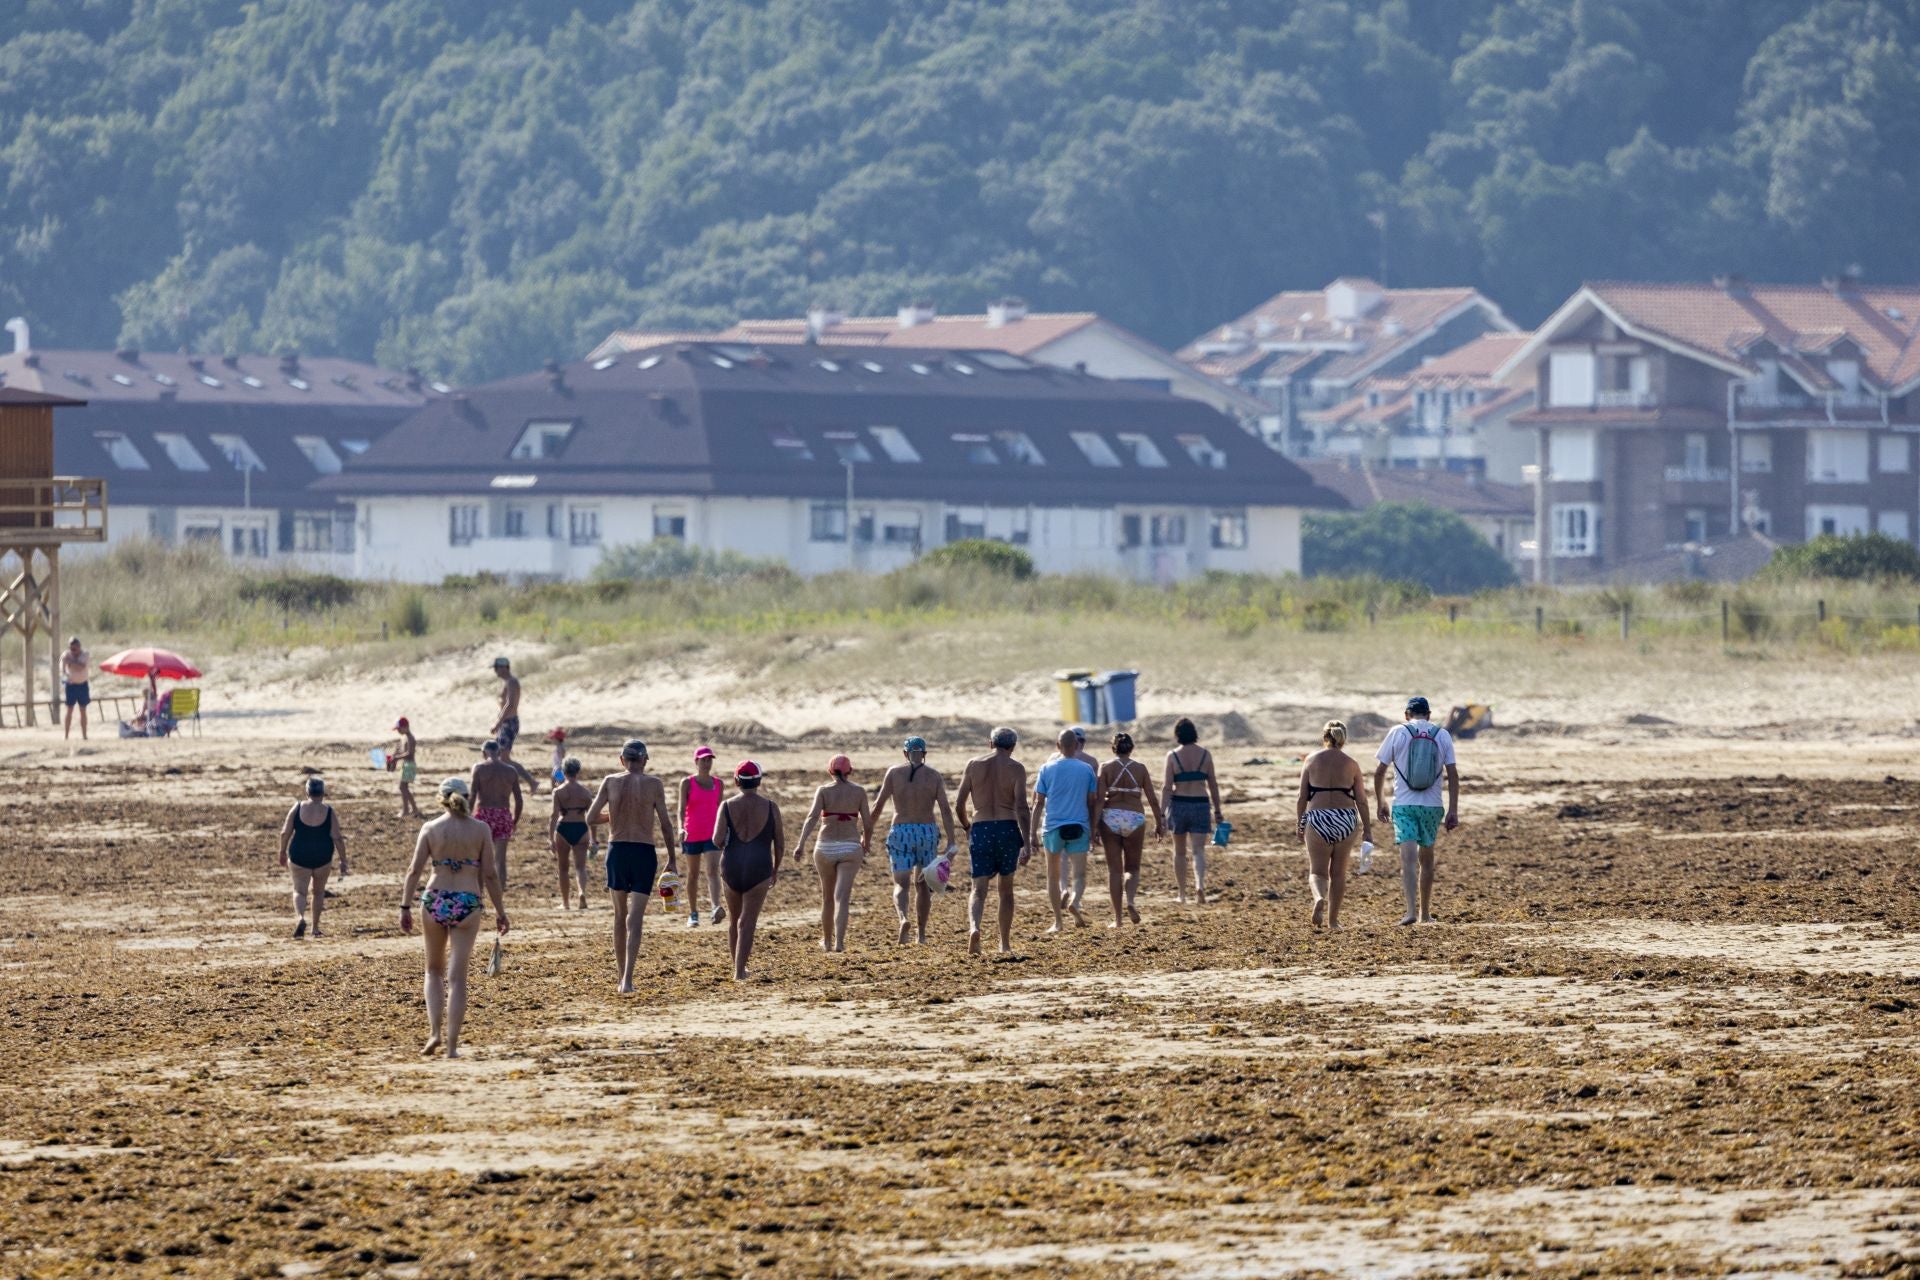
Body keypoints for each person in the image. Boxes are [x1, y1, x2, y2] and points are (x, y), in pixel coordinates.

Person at [399, 778, 508, 1058]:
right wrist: (500, 911)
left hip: (435, 899)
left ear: (442, 798)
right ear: (468, 797)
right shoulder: (480, 829)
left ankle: (434, 1032)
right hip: (467, 901)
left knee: (433, 971)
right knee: (457, 978)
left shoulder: (431, 828)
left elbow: (413, 871)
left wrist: (405, 907)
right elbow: (490, 874)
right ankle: (451, 1047)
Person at [585, 740, 677, 993]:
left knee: (619, 916)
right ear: (645, 760)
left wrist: (613, 814)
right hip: (643, 852)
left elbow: (590, 818)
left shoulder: (610, 781)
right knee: (635, 919)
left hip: (617, 851)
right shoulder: (654, 784)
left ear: (621, 760)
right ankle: (627, 979)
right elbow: (666, 825)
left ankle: (619, 976)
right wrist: (672, 859)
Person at [1373, 696, 1460, 926]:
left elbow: (1380, 771)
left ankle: (1410, 911)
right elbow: (1452, 774)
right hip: (1432, 806)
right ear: (1429, 715)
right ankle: (1425, 914)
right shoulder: (1442, 734)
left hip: (1404, 805)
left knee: (1408, 860)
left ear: (1406, 715)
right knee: (1427, 860)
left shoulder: (1397, 732)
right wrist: (1453, 809)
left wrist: (1381, 801)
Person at [870, 736, 957, 944]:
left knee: (901, 884)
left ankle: (903, 919)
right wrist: (951, 840)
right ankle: (921, 934)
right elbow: (945, 809)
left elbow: (878, 806)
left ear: (905, 753)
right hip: (927, 831)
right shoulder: (934, 776)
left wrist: (866, 834)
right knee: (923, 885)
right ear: (924, 754)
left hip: (900, 830)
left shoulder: (894, 773)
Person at [954, 727, 1030, 955]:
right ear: (1013, 746)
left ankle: (974, 928)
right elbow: (1022, 807)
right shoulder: (1016, 768)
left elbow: (959, 804)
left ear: (990, 743)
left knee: (978, 889)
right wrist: (1027, 841)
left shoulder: (973, 764)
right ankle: (1004, 943)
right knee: (1006, 891)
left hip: (981, 827)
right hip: (1007, 828)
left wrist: (967, 827)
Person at [1297, 720, 1373, 930]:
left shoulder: (1311, 760)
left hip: (1318, 817)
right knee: (1338, 873)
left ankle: (1319, 898)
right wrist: (1367, 830)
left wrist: (1300, 823)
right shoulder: (1351, 763)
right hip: (1345, 818)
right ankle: (1333, 921)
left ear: (1325, 737)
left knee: (1317, 872)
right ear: (1343, 739)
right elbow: (1362, 800)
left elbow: (1302, 796)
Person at [714, 760, 784, 980]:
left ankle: (738, 968)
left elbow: (716, 839)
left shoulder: (727, 805)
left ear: (736, 781)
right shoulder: (771, 807)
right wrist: (775, 869)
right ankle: (739, 971)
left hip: (731, 865)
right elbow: (779, 844)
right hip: (759, 866)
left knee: (734, 920)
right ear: (759, 781)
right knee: (748, 922)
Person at [796, 755, 873, 953]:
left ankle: (827, 942)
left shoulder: (823, 791)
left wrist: (801, 844)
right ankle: (839, 943)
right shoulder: (859, 792)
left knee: (828, 898)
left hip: (825, 847)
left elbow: (812, 817)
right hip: (850, 847)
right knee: (843, 898)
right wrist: (866, 841)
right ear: (850, 771)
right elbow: (867, 822)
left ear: (830, 771)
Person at [1031, 729, 1099, 934]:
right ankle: (1075, 902)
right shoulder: (1087, 769)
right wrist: (1094, 830)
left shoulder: (1046, 768)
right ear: (1076, 745)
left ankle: (1058, 922)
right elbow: (1092, 802)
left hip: (1052, 827)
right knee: (1079, 874)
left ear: (1057, 746)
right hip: (1079, 826)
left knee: (1053, 876)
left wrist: (1032, 833)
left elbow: (1038, 803)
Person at [1094, 731, 1163, 927]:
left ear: (1113, 748)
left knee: (1115, 871)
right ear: (1132, 748)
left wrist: (1093, 827)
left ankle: (1117, 920)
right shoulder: (1140, 768)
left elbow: (1099, 800)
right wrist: (1159, 823)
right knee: (1132, 868)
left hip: (1111, 817)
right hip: (1134, 817)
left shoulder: (1106, 767)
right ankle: (1131, 901)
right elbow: (1152, 799)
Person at [1162, 718, 1222, 905]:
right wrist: (1218, 810)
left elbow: (1167, 787)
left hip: (1179, 804)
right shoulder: (1205, 754)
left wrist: (1161, 813)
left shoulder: (1172, 756)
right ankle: (1200, 886)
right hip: (1200, 803)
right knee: (1198, 851)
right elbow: (1213, 784)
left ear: (1177, 735)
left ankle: (1181, 894)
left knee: (1179, 852)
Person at [277, 777, 347, 939]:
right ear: (323, 793)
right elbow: (337, 837)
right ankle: (315, 928)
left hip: (299, 856)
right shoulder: (328, 811)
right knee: (318, 892)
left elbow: (285, 832)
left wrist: (282, 852)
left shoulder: (297, 807)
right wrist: (343, 860)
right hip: (322, 857)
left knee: (299, 891)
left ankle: (301, 918)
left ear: (307, 792)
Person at [678, 746, 728, 928]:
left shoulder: (718, 783)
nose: (707, 763)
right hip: (692, 834)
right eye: (703, 760)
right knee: (693, 874)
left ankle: (715, 907)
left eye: (709, 760)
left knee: (713, 871)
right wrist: (680, 828)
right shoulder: (687, 783)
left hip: (712, 835)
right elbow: (681, 809)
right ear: (696, 762)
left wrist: (724, 830)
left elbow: (720, 809)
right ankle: (693, 913)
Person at [468, 740, 524, 890]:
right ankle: (499, 895)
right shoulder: (511, 770)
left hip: (483, 814)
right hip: (503, 814)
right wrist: (514, 820)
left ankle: (479, 894)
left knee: (480, 859)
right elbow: (519, 800)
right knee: (500, 860)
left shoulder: (479, 768)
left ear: (483, 752)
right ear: (499, 752)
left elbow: (472, 795)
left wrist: (467, 816)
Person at [547, 757, 594, 909]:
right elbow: (591, 817)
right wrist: (593, 838)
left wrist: (551, 838)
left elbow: (554, 816)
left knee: (563, 868)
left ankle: (566, 903)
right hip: (581, 827)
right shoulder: (585, 792)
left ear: (564, 772)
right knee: (580, 867)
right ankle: (582, 892)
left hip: (564, 828)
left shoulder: (558, 792)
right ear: (577, 772)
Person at [490, 656, 538, 794]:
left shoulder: (512, 682)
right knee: (498, 757)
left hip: (509, 723)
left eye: (496, 668)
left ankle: (530, 781)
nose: (495, 671)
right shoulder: (508, 682)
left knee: (504, 758)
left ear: (504, 667)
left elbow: (510, 704)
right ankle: (504, 785)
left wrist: (498, 723)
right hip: (507, 722)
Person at [390, 717, 421, 819]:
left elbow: (409, 753)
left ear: (406, 727)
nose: (398, 731)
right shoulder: (404, 737)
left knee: (403, 787)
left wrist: (397, 758)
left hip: (409, 765)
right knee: (404, 787)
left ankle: (406, 810)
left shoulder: (410, 738)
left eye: (399, 729)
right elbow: (402, 750)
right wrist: (395, 754)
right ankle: (413, 809)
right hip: (406, 764)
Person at [61, 637, 90, 741]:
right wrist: (69, 663)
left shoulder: (85, 654)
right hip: (71, 685)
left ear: (79, 647)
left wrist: (70, 662)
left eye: (74, 649)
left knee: (83, 710)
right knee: (69, 710)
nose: (73, 651)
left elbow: (81, 667)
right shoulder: (66, 654)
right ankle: (66, 735)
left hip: (82, 684)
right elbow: (63, 670)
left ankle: (84, 735)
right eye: (71, 648)